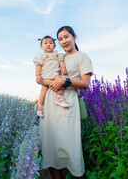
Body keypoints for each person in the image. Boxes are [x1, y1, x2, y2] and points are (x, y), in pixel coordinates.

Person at [39, 26, 93, 179]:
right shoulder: (57, 56)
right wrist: (43, 80)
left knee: (67, 145)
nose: (64, 41)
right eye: (60, 39)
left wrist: (65, 81)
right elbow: (42, 76)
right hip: (49, 102)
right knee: (51, 144)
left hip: (67, 102)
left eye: (66, 37)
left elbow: (86, 84)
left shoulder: (82, 56)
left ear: (74, 36)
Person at [33, 35, 71, 118]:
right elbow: (38, 66)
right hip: (45, 76)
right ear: (41, 46)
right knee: (43, 90)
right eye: (45, 43)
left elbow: (61, 61)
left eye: (51, 43)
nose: (48, 45)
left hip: (55, 74)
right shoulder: (41, 56)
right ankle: (39, 106)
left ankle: (59, 97)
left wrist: (63, 68)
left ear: (54, 45)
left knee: (61, 82)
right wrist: (38, 75)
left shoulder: (56, 54)